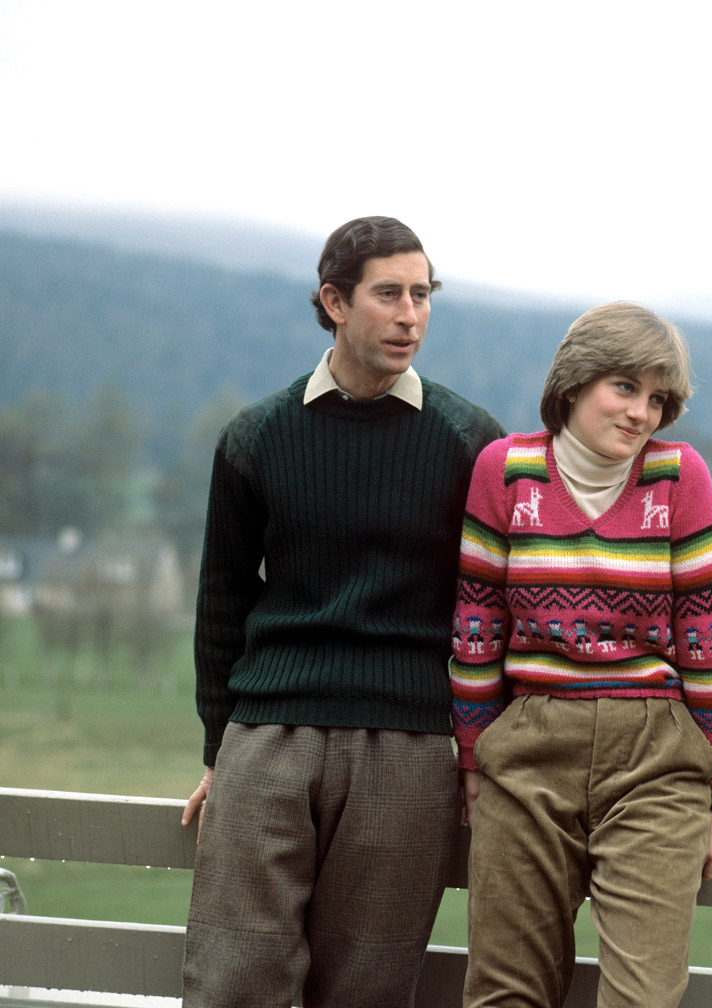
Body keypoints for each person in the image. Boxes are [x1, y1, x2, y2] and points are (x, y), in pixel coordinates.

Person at [180, 215, 505, 1008]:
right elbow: (224, 597)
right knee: (233, 977)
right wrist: (220, 747)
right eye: (388, 295)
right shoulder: (256, 437)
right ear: (333, 301)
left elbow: (492, 615)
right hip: (269, 737)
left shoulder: (471, 444)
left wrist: (476, 754)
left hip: (410, 747)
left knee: (367, 986)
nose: (410, 316)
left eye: (423, 296)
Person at [450, 302, 712, 1008]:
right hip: (526, 751)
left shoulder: (678, 476)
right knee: (504, 993)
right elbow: (476, 626)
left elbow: (708, 636)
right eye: (624, 387)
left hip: (655, 756)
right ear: (576, 381)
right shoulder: (506, 470)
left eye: (658, 397)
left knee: (643, 996)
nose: (643, 412)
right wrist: (475, 756)